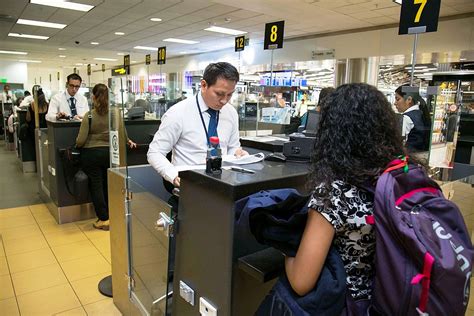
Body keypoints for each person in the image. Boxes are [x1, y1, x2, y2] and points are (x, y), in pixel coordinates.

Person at [285, 84, 405, 303]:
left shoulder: (335, 193)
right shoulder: (402, 177)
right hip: (393, 298)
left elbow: (301, 282)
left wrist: (285, 247)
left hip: (350, 304)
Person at [147, 62, 248, 188]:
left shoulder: (231, 113)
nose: (224, 100)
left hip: (223, 183)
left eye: (229, 94)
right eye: (219, 94)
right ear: (204, 85)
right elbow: (155, 152)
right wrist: (173, 175)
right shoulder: (178, 113)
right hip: (190, 184)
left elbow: (233, 147)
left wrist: (239, 154)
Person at [76, 83, 136, 230]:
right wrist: (128, 140)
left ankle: (103, 219)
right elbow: (122, 132)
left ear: (93, 97)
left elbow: (81, 140)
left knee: (96, 185)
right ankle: (115, 215)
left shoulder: (89, 115)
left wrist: (77, 145)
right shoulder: (116, 112)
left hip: (92, 155)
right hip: (111, 154)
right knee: (109, 185)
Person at [394, 85, 431, 152]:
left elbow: (400, 142)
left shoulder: (406, 117)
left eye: (397, 99)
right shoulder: (421, 113)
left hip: (409, 155)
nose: (395, 103)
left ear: (409, 100)